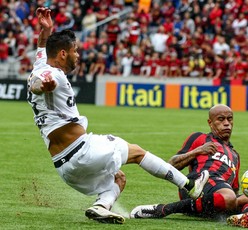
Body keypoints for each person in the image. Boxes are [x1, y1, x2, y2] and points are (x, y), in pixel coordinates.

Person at [26, 7, 209, 225]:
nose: (77, 54)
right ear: (63, 54)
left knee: (119, 178)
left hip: (64, 167)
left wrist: (45, 31)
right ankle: (190, 186)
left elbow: (40, 51)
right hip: (82, 151)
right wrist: (41, 87)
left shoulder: (40, 63)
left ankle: (101, 206)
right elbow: (40, 83)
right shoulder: (50, 74)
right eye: (75, 50)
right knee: (137, 153)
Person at [130, 104, 248, 228]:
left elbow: (234, 191)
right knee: (229, 196)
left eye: (230, 119)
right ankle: (165, 209)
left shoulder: (235, 155)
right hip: (197, 185)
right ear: (210, 122)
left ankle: (246, 216)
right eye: (221, 119)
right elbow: (170, 165)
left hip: (216, 199)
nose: (226, 123)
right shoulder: (200, 138)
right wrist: (197, 151)